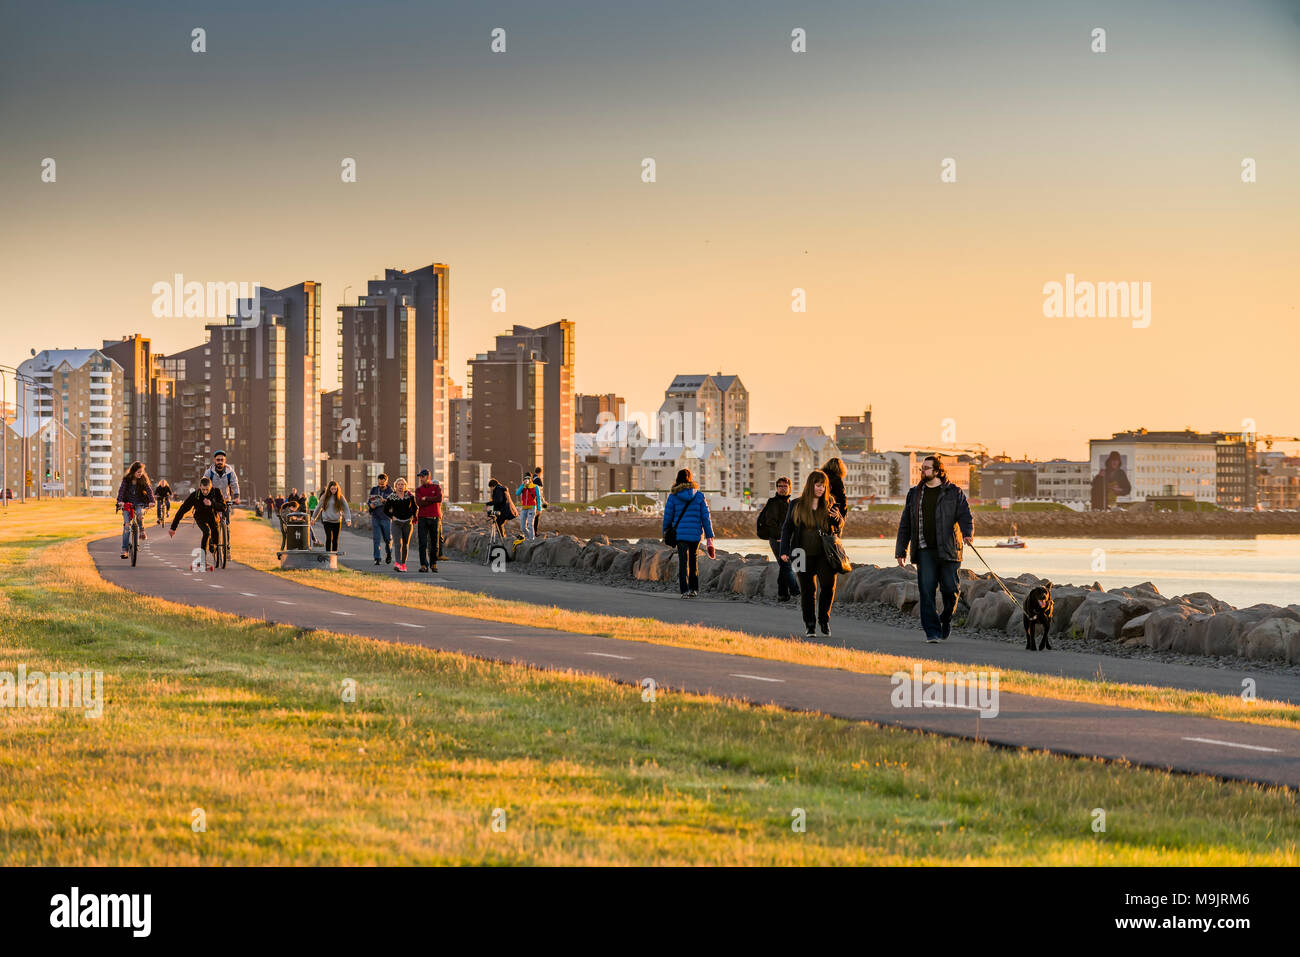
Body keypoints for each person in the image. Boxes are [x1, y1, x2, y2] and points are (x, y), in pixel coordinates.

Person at [895, 454, 974, 643]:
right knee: (926, 590)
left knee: (950, 590)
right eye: (922, 468)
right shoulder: (914, 494)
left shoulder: (954, 492)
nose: (922, 471)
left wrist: (967, 532)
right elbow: (905, 523)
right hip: (924, 550)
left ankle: (945, 618)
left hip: (949, 550)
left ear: (937, 471)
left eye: (926, 468)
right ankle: (932, 631)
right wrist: (901, 550)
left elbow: (965, 514)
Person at [779, 470, 844, 638]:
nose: (821, 489)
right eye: (818, 485)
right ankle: (809, 624)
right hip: (801, 553)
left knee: (828, 586)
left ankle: (824, 619)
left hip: (826, 554)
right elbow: (787, 528)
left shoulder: (831, 503)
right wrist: (784, 551)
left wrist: (837, 518)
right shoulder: (796, 505)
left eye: (823, 486)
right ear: (810, 486)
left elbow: (840, 525)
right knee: (808, 591)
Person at [661, 468, 716, 598]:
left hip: (680, 535)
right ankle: (694, 589)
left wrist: (665, 532)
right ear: (690, 479)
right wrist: (709, 537)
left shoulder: (673, 496)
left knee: (682, 562)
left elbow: (667, 517)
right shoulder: (699, 496)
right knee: (693, 561)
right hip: (696, 535)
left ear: (677, 480)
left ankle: (684, 591)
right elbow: (705, 518)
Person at [756, 476, 799, 602]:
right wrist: (780, 537)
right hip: (777, 539)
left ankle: (782, 594)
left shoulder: (790, 503)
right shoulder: (774, 502)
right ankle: (796, 592)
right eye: (780, 486)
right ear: (776, 488)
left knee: (784, 566)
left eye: (785, 486)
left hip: (786, 539)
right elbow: (770, 522)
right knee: (786, 565)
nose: (782, 489)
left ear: (789, 488)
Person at [170, 476, 227, 570]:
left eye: (207, 490)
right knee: (206, 532)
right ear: (200, 487)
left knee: (214, 538)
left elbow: (223, 507)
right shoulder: (195, 495)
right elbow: (182, 510)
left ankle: (213, 544)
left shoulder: (216, 492)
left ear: (211, 487)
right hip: (200, 517)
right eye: (203, 489)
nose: (204, 492)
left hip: (213, 517)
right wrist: (173, 527)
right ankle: (203, 560)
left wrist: (212, 504)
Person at [115, 461, 156, 559]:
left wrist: (152, 501)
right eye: (138, 472)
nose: (140, 474)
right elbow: (121, 491)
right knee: (126, 527)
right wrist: (120, 501)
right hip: (127, 504)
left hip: (139, 503)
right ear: (133, 471)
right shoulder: (126, 480)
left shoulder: (142, 479)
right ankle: (124, 550)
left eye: (141, 472)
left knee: (139, 514)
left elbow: (149, 491)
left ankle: (141, 530)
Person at [383, 478, 418, 572]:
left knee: (405, 544)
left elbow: (415, 507)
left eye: (402, 484)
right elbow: (385, 510)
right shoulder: (391, 496)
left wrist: (413, 516)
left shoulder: (410, 496)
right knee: (398, 543)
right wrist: (392, 517)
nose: (400, 486)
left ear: (405, 486)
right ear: (395, 486)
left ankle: (403, 564)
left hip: (407, 522)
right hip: (396, 523)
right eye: (399, 484)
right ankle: (397, 563)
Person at [414, 468, 444, 573]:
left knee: (434, 543)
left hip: (435, 518)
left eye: (422, 476)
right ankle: (423, 565)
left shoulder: (436, 487)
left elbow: (439, 498)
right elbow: (419, 503)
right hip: (422, 518)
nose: (420, 478)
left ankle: (433, 564)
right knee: (422, 543)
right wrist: (431, 499)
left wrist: (426, 498)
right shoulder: (418, 490)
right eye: (420, 477)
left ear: (427, 476)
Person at [311, 480, 352, 552]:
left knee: (335, 540)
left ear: (337, 489)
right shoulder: (324, 497)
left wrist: (348, 519)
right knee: (329, 538)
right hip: (327, 521)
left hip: (337, 521)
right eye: (332, 489)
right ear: (329, 489)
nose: (333, 490)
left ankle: (334, 556)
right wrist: (313, 518)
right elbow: (318, 507)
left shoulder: (340, 497)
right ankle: (328, 555)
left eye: (335, 489)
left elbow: (346, 508)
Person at [367, 473, 394, 565]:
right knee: (376, 539)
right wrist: (370, 505)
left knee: (387, 539)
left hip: (386, 518)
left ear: (386, 481)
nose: (381, 485)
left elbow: (393, 504)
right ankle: (377, 558)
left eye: (383, 483)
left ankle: (389, 553)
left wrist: (385, 501)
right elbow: (369, 500)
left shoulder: (391, 491)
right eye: (379, 483)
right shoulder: (374, 489)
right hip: (376, 517)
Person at [516, 474, 540, 540]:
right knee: (522, 527)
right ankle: (529, 537)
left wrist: (539, 509)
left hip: (532, 507)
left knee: (530, 525)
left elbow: (538, 498)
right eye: (525, 478)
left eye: (528, 478)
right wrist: (522, 485)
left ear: (531, 480)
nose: (526, 480)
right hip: (524, 508)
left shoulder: (535, 487)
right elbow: (517, 493)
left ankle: (531, 539)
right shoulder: (523, 487)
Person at [530, 466, 546, 535]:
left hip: (531, 499)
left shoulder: (532, 478)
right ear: (540, 472)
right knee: (536, 516)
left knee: (532, 516)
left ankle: (532, 531)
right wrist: (544, 500)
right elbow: (540, 491)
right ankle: (534, 532)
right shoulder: (538, 479)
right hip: (537, 499)